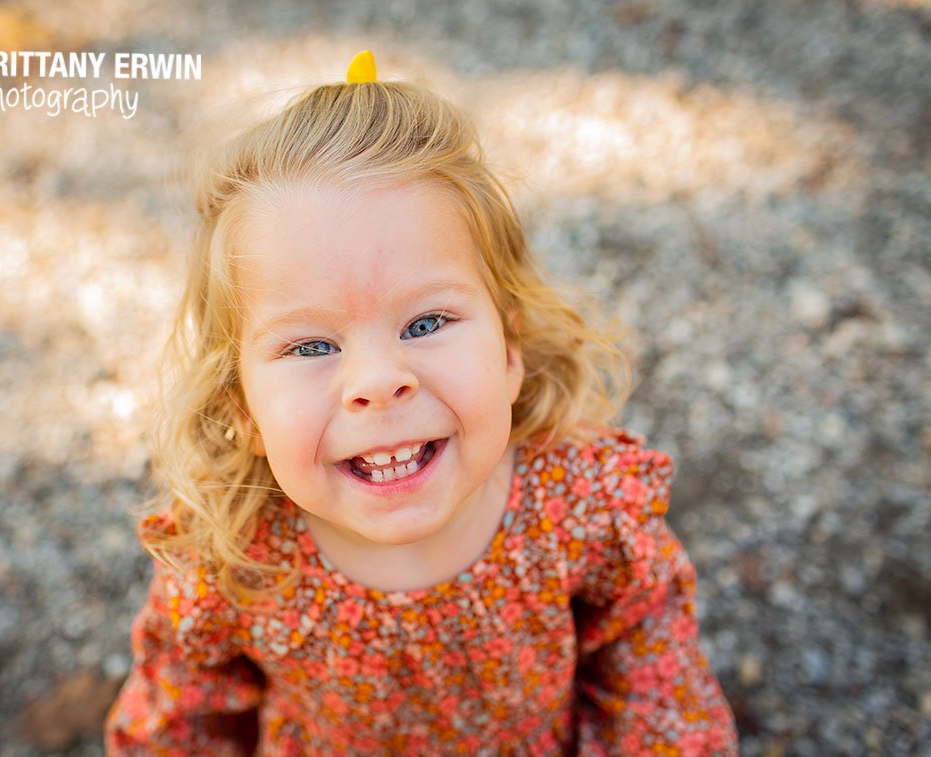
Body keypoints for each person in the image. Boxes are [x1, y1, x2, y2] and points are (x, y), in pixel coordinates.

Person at [105, 51, 737, 756]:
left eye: (426, 323)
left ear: (508, 348)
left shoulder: (582, 500)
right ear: (243, 406)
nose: (376, 381)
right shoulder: (235, 556)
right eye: (311, 346)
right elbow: (181, 719)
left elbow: (652, 671)